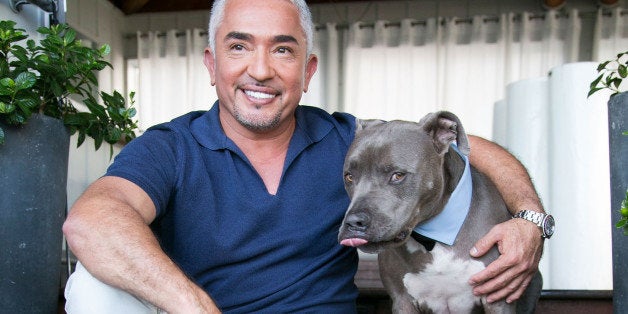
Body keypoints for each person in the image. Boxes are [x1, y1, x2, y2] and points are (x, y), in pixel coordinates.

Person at [62, 0, 547, 312]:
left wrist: (529, 218)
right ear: (211, 64)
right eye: (238, 47)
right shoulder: (171, 146)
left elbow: (468, 148)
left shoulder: (351, 141)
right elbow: (92, 222)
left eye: (283, 51)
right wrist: (194, 308)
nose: (260, 70)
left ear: (308, 69)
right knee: (90, 286)